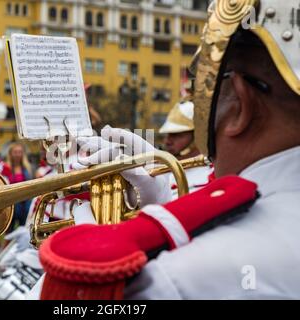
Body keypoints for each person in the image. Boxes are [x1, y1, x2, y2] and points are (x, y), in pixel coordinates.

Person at [34, 0, 300, 299]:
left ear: (241, 105)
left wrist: (90, 249)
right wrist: (162, 204)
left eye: (201, 88)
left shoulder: (173, 279)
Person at [159, 100, 213, 196]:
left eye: (176, 135)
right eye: (168, 135)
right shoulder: (160, 172)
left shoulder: (213, 175)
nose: (167, 141)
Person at [5, 142, 32, 231]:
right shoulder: (6, 168)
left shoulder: (27, 168)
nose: (18, 154)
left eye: (20, 152)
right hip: (11, 203)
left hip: (25, 202)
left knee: (25, 228)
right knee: (10, 230)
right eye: (15, 152)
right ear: (10, 154)